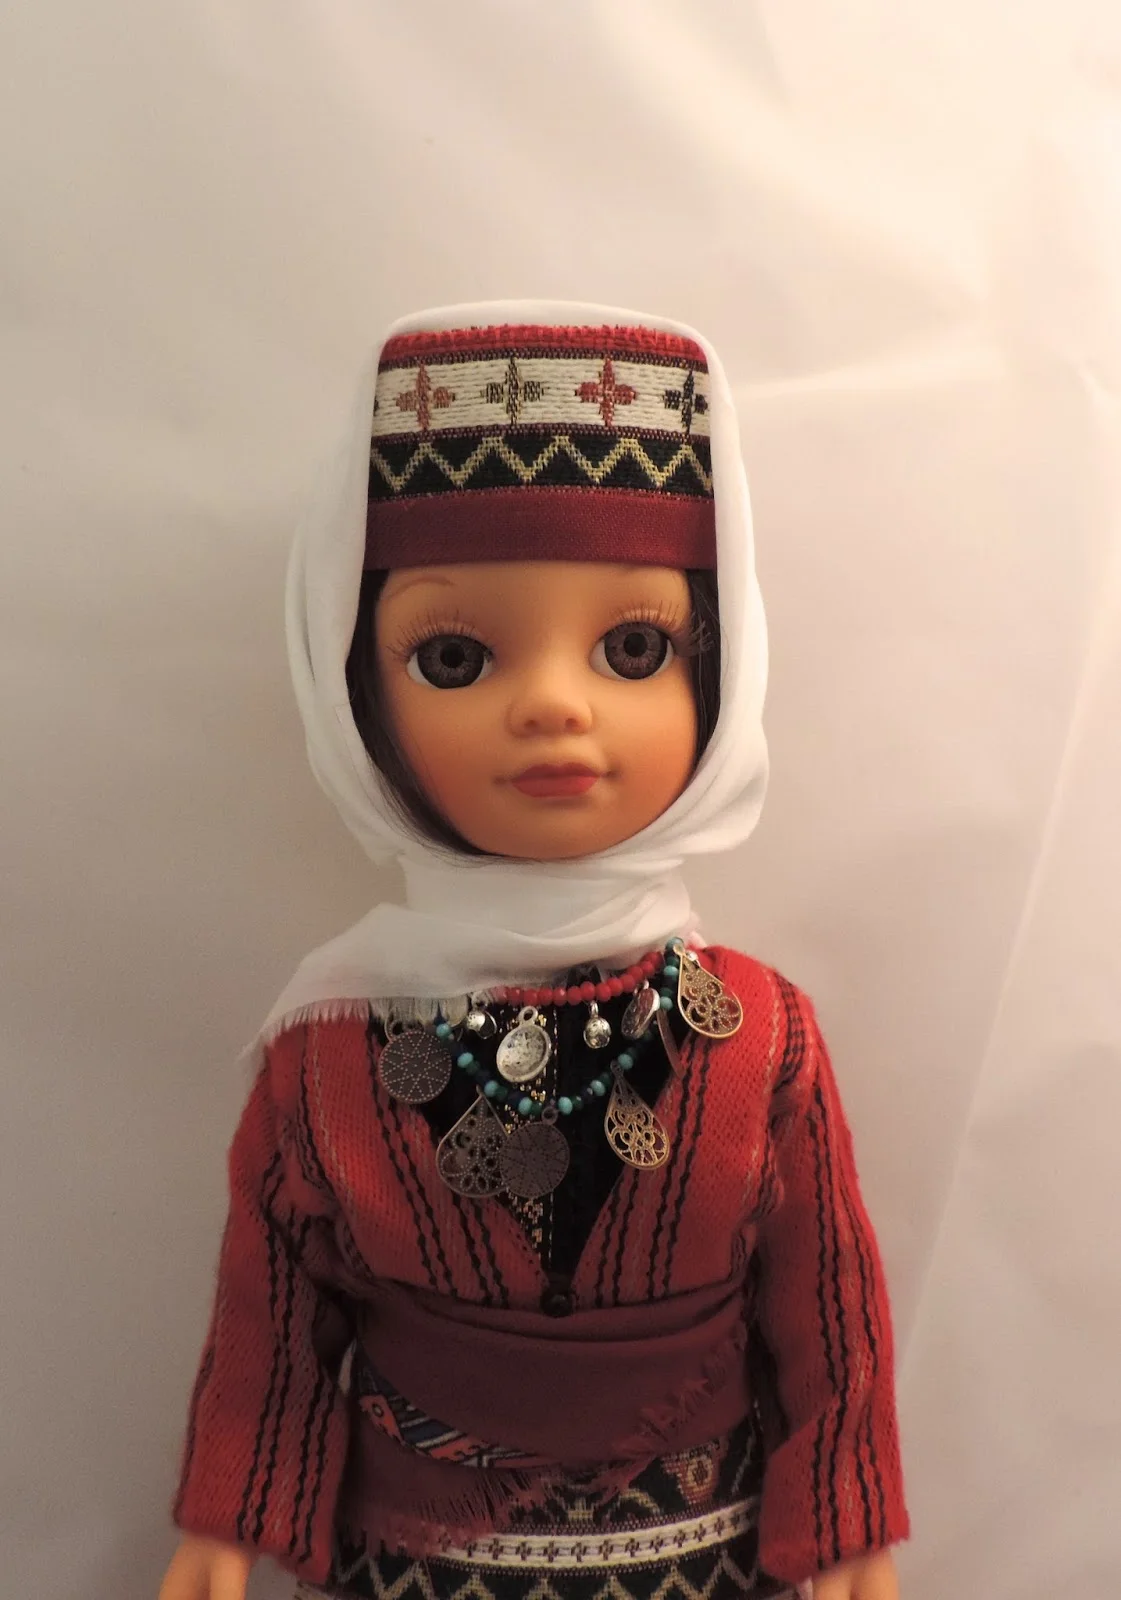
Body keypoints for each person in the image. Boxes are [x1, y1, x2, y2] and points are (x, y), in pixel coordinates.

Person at [158, 304, 909, 1600]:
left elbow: (826, 1301)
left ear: (719, 675)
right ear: (357, 697)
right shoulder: (330, 1043)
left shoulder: (760, 1032)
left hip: (699, 1553)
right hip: (416, 1553)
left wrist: (845, 1515)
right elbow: (270, 1312)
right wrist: (229, 1516)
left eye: (633, 649)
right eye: (455, 657)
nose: (555, 704)